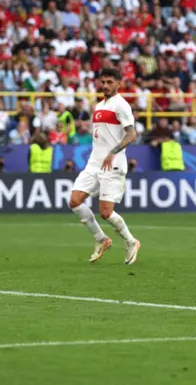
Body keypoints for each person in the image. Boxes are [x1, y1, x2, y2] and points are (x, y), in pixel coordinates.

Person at [68, 68, 141, 265]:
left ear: (119, 83)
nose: (106, 86)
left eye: (110, 82)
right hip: (94, 163)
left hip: (113, 163)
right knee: (74, 201)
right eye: (103, 82)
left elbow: (132, 134)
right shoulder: (99, 105)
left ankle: (131, 241)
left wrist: (113, 152)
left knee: (106, 213)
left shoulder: (122, 105)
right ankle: (101, 239)